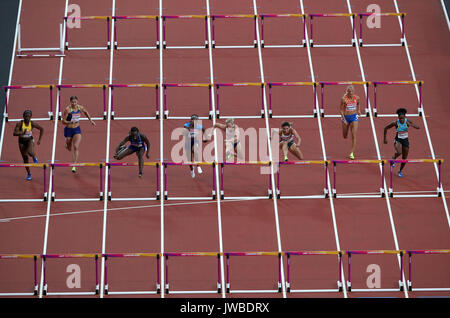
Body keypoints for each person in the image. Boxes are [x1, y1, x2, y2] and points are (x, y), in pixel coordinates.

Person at [61, 96, 96, 173]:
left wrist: (91, 120)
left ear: (77, 102)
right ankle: (67, 143)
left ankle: (74, 165)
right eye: (72, 102)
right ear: (70, 102)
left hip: (77, 129)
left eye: (75, 102)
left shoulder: (80, 108)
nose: (74, 103)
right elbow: (63, 121)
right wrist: (70, 122)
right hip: (68, 129)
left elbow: (86, 112)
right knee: (69, 147)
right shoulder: (68, 110)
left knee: (76, 147)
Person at [383, 107, 420, 177]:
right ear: (398, 117)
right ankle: (393, 159)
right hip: (398, 140)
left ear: (405, 117)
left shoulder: (407, 121)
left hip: (405, 140)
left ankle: (400, 171)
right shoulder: (395, 123)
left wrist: (412, 125)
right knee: (399, 152)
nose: (401, 120)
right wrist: (385, 139)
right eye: (400, 118)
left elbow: (417, 127)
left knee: (404, 158)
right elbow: (386, 128)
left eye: (402, 118)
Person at [13, 110, 44, 180]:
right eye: (26, 116)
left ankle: (34, 157)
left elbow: (42, 129)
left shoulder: (32, 123)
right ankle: (29, 173)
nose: (27, 118)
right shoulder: (20, 123)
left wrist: (39, 140)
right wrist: (21, 132)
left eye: (29, 116)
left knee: (31, 152)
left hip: (29, 140)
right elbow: (14, 133)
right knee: (25, 158)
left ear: (31, 117)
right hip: (21, 142)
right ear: (23, 117)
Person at [340, 85, 361, 160]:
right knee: (345, 136)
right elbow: (341, 110)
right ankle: (347, 127)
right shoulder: (343, 99)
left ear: (354, 91)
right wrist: (344, 119)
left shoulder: (357, 98)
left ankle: (351, 153)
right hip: (345, 117)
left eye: (352, 91)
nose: (351, 93)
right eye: (349, 91)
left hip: (354, 117)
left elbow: (358, 104)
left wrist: (358, 110)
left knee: (353, 135)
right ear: (347, 92)